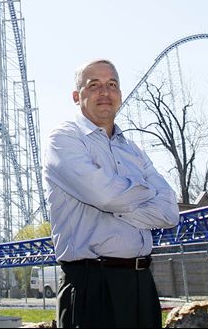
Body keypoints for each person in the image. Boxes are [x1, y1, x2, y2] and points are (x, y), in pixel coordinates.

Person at [43, 59, 180, 328]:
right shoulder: (64, 140)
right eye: (94, 85)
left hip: (141, 284)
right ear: (76, 96)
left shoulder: (132, 150)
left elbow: (169, 212)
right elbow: (105, 196)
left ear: (120, 94)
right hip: (91, 285)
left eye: (112, 85)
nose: (105, 92)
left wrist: (118, 201)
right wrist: (144, 193)